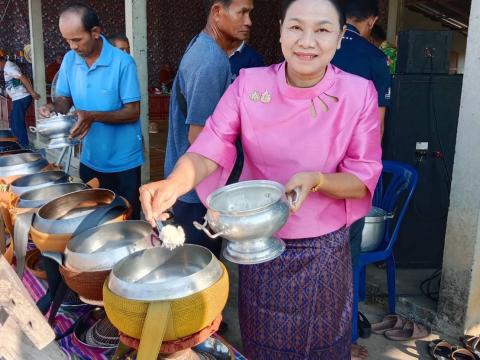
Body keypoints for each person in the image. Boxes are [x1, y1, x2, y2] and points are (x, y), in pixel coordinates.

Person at [140, 0, 382, 358]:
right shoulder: (249, 84)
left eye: (323, 30)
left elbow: (362, 176)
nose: (308, 41)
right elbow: (212, 145)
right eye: (297, 27)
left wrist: (317, 180)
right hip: (260, 243)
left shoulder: (359, 93)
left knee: (323, 345)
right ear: (282, 30)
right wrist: (172, 185)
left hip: (324, 250)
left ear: (339, 38)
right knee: (265, 343)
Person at [162, 0, 254, 259]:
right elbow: (199, 137)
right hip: (196, 190)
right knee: (198, 269)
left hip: (189, 184)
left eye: (250, 13)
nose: (249, 21)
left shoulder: (203, 46)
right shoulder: (211, 62)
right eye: (242, 12)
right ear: (217, 12)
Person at [39, 3, 144, 220]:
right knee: (93, 220)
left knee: (125, 219)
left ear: (95, 32)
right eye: (67, 40)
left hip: (123, 162)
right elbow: (64, 99)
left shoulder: (123, 62)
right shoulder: (70, 60)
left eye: (77, 39)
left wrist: (93, 116)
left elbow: (133, 112)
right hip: (90, 158)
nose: (72, 46)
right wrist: (53, 107)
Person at [0, 56, 40, 148]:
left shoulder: (9, 67)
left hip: (21, 97)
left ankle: (24, 145)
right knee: (13, 119)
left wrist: (32, 92)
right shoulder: (7, 67)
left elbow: (23, 78)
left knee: (17, 121)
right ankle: (17, 140)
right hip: (17, 98)